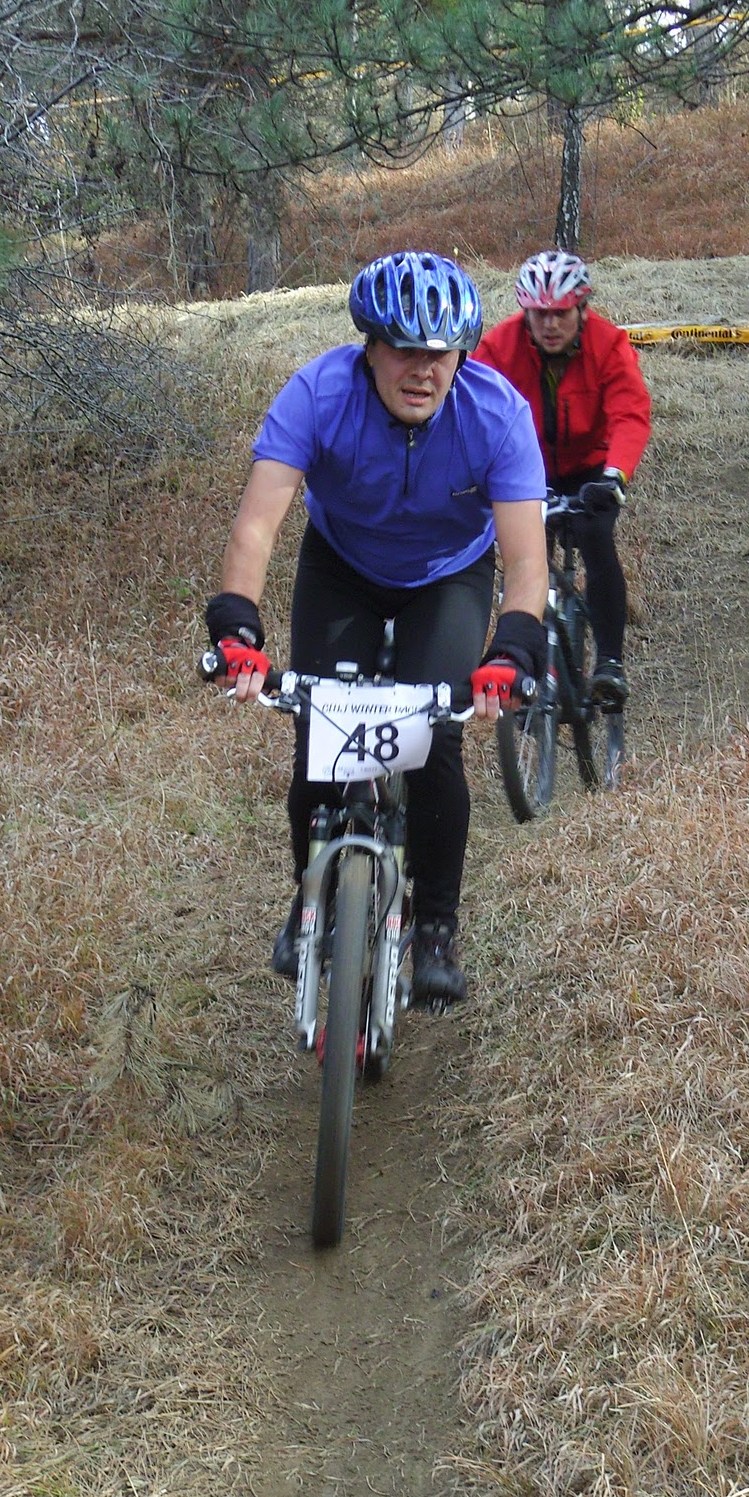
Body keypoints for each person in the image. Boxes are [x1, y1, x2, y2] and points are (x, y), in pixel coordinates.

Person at [204, 250, 549, 1004]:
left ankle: (436, 927)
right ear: (369, 347)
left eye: (440, 353)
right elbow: (257, 526)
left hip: (448, 575)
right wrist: (238, 627)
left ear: (463, 354)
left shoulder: (497, 414)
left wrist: (512, 648)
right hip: (343, 566)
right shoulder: (318, 394)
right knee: (321, 731)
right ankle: (312, 901)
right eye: (403, 349)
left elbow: (527, 562)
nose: (423, 370)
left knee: (435, 739)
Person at [473, 249, 652, 709]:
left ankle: (609, 663)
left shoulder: (608, 345)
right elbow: (474, 410)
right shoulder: (499, 347)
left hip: (591, 468)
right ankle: (527, 666)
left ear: (581, 310)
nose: (550, 325)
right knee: (526, 559)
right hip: (525, 470)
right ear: (525, 314)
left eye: (561, 314)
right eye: (539, 315)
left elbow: (630, 414)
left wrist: (615, 476)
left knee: (596, 538)